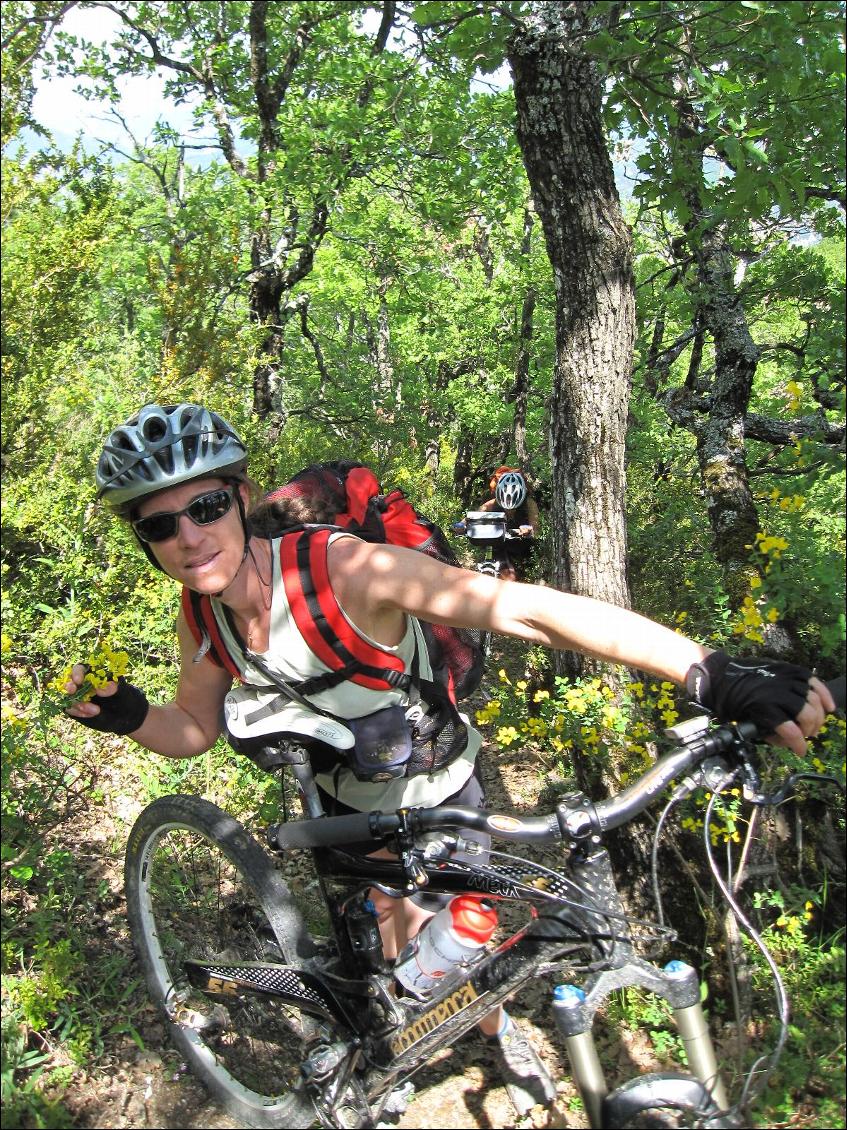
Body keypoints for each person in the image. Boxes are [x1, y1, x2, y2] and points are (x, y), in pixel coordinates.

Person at [61, 403, 834, 1117]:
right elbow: (192, 727)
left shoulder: (345, 570)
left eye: (204, 508)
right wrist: (127, 713)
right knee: (397, 939)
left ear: (239, 497)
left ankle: (497, 1032)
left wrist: (706, 670)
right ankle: (393, 1052)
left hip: (438, 781)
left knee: (474, 933)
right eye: (160, 527)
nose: (188, 538)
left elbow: (525, 610)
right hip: (342, 797)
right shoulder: (201, 613)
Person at [478, 466, 540, 581]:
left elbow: (536, 528)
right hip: (497, 547)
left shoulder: (529, 504)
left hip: (521, 549)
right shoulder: (492, 504)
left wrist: (528, 529)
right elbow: (473, 517)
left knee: (511, 578)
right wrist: (461, 525)